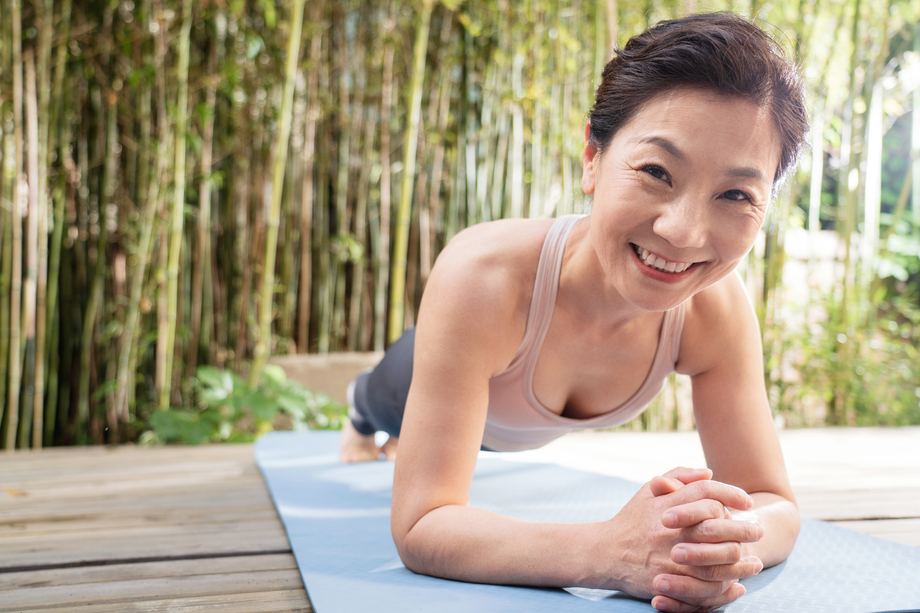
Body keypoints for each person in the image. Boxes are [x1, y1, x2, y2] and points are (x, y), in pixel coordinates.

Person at [339, 12, 809, 613]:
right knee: (380, 400)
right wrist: (607, 551)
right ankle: (358, 411)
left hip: (506, 431)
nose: (684, 233)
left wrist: (718, 542)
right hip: (416, 384)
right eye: (656, 172)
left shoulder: (715, 312)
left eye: (736, 194)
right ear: (592, 156)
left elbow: (774, 502)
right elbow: (422, 523)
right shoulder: (482, 278)